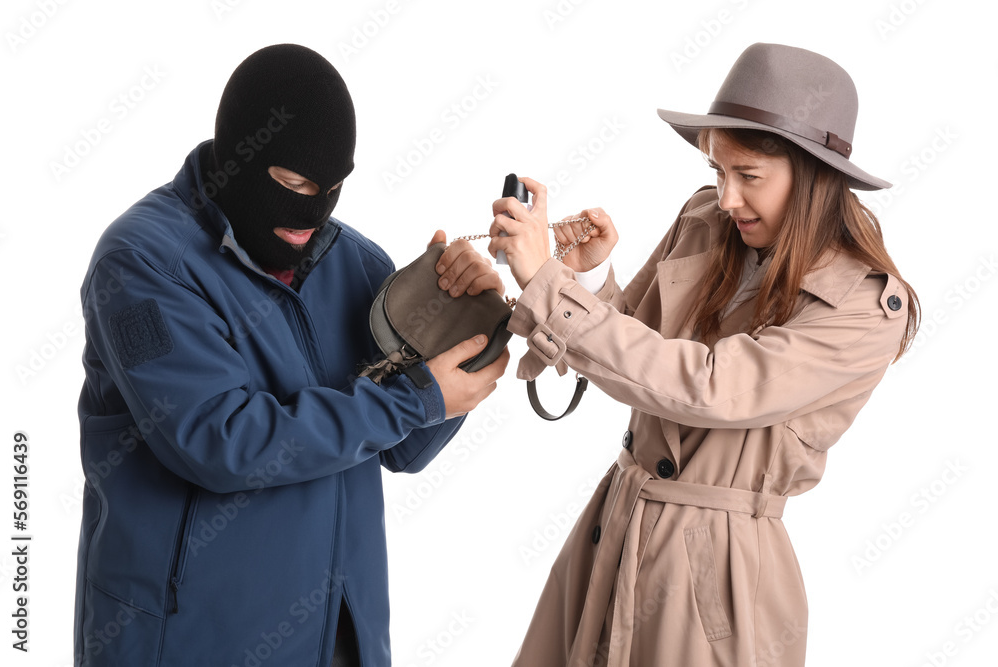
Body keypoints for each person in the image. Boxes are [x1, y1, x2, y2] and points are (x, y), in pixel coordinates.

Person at [73, 44, 508, 667]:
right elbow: (217, 440)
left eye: (331, 188)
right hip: (191, 640)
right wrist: (411, 398)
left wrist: (464, 324)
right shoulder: (143, 264)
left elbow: (405, 446)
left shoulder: (354, 261)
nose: (311, 210)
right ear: (239, 155)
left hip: (338, 634)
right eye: (292, 184)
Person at [489, 43, 919, 666]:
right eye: (719, 171)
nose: (726, 198)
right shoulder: (705, 220)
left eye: (748, 177)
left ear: (816, 178)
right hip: (614, 526)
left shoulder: (864, 306)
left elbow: (709, 389)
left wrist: (545, 285)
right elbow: (633, 349)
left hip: (720, 569)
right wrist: (584, 277)